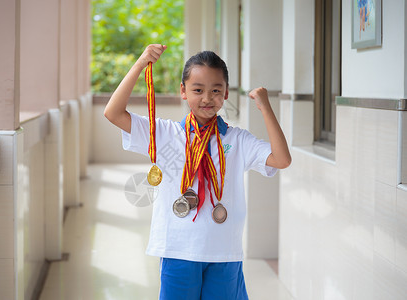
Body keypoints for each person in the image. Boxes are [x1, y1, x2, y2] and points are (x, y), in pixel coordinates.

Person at [104, 44, 291, 300]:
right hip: (178, 250)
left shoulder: (237, 140)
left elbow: (281, 159)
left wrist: (266, 108)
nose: (207, 98)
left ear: (226, 94)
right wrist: (140, 64)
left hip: (223, 252)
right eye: (198, 90)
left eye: (216, 90)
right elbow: (113, 113)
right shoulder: (166, 134)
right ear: (183, 91)